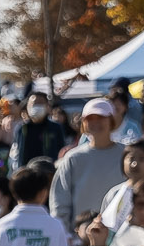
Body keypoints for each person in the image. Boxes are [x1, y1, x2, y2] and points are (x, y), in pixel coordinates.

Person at [52, 98, 129, 233]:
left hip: (120, 237)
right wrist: (63, 233)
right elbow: (60, 200)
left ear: (111, 120)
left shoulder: (127, 155)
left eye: (100, 117)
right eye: (89, 119)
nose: (95, 122)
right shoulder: (73, 157)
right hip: (81, 236)